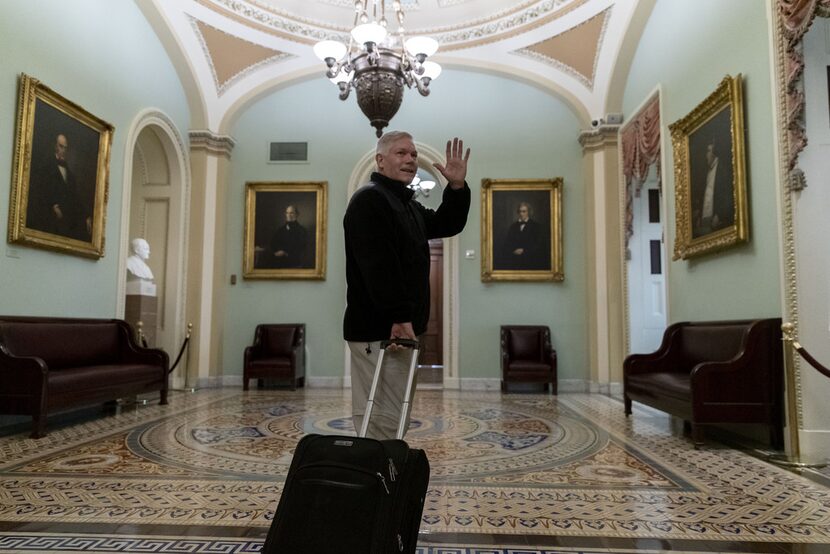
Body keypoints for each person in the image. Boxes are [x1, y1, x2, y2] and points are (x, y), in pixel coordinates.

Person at [344, 132, 471, 440]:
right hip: (381, 330)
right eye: (401, 153)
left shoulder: (407, 205)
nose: (411, 160)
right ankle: (375, 478)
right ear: (380, 160)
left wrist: (456, 187)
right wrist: (400, 318)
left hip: (400, 328)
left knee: (394, 416)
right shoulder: (370, 200)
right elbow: (379, 267)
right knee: (380, 419)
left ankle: (386, 477)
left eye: (413, 155)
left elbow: (447, 224)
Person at [26, 133, 91, 241]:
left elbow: (75, 196)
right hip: (49, 216)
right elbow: (42, 190)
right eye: (61, 146)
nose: (63, 150)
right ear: (55, 146)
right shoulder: (46, 166)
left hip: (66, 220)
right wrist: (54, 205)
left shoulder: (69, 172)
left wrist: (87, 216)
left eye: (65, 148)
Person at [692, 138, 734, 238]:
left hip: (716, 219)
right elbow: (704, 196)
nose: (706, 155)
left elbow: (727, 194)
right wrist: (699, 216)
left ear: (714, 153)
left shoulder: (723, 170)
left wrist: (719, 215)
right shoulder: (706, 171)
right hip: (705, 218)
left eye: (708, 151)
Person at [500, 201, 547, 270]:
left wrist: (524, 250)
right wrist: (513, 250)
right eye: (520, 211)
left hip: (530, 261)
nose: (521, 214)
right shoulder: (513, 226)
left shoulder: (536, 226)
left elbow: (538, 245)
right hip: (514, 261)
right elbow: (507, 243)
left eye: (524, 211)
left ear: (529, 212)